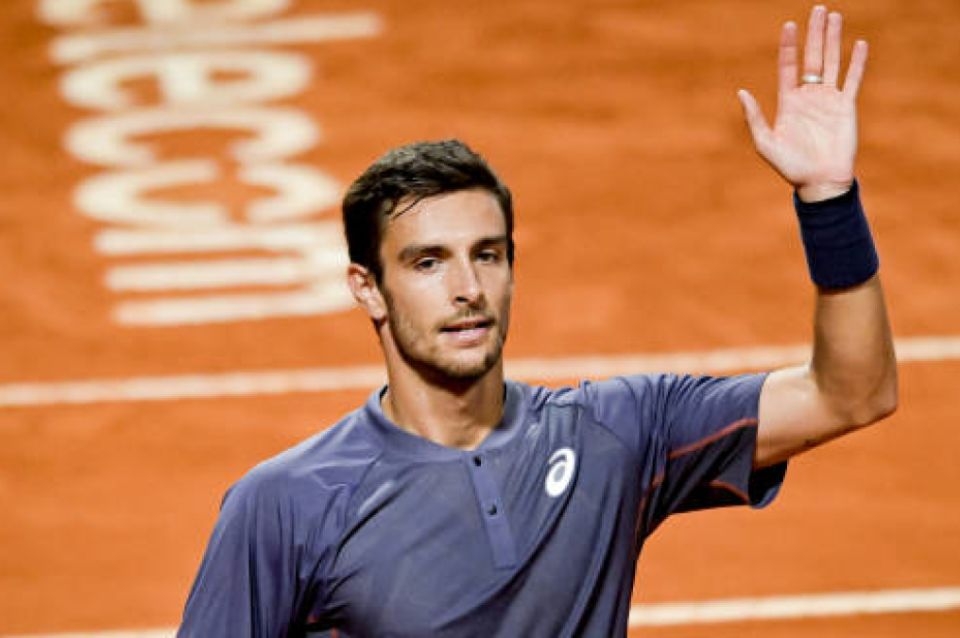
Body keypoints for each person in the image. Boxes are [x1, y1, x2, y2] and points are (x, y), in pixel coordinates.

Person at [178, 5, 897, 636]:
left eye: (487, 255)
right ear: (369, 290)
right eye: (428, 263)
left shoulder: (615, 437)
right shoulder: (288, 505)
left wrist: (828, 202)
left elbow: (851, 393)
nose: (468, 289)